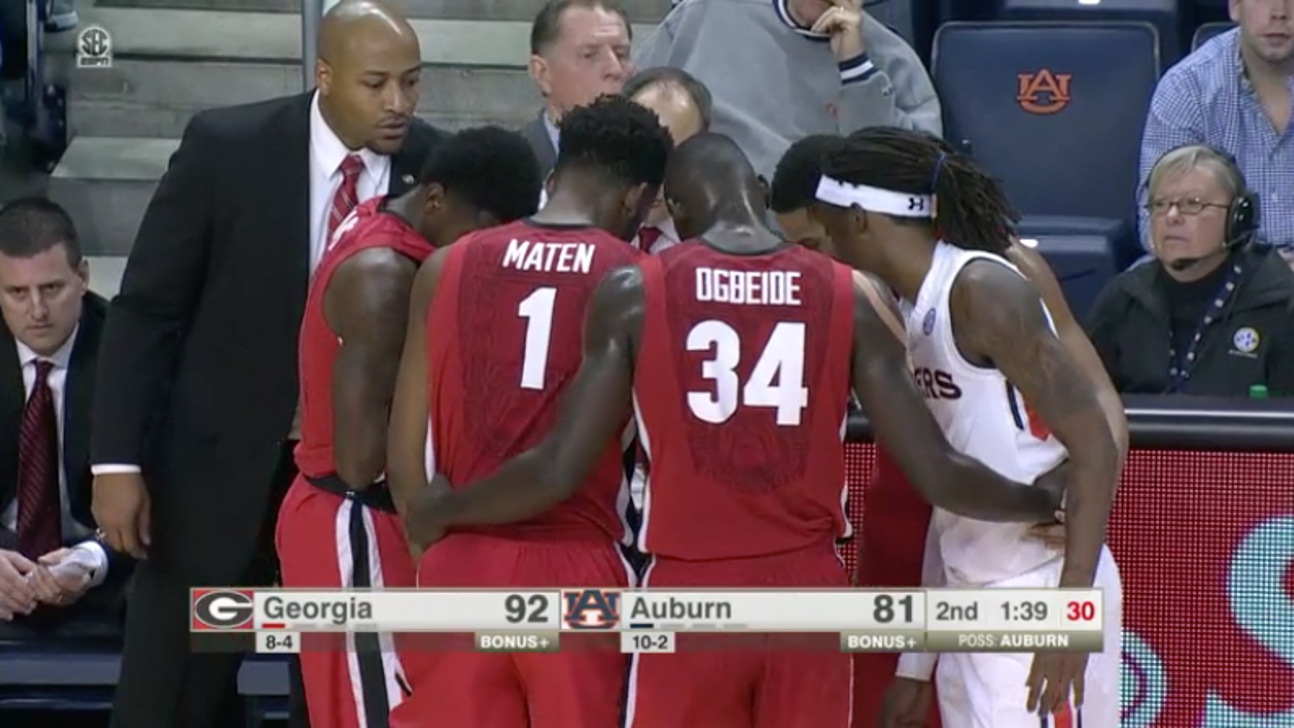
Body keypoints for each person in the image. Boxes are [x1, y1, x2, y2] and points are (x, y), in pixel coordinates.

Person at [398, 132, 1070, 728]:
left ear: (679, 213)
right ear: (757, 190)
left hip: (692, 591)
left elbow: (559, 467)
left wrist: (447, 506)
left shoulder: (638, 289)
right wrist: (1040, 500)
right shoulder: (846, 293)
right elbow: (937, 471)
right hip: (808, 590)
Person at [87, 1, 444, 725]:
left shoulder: (437, 167)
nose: (398, 103)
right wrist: (114, 463)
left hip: (359, 484)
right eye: (377, 84)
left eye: (411, 82)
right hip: (213, 470)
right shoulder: (228, 146)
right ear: (325, 75)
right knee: (176, 693)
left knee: (336, 694)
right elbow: (148, 309)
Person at [770, 131, 1130, 725]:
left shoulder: (981, 289)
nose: (822, 250)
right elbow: (949, 496)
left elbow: (1095, 440)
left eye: (827, 232)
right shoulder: (915, 305)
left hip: (1036, 587)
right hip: (971, 588)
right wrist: (919, 662)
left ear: (859, 220)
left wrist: (1070, 614)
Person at [385, 94, 670, 728]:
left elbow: (405, 450)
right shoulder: (642, 281)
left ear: (554, 174)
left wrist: (431, 541)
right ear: (637, 199)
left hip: (457, 558)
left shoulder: (444, 265)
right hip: (579, 564)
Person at [276, 126, 543, 728]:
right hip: (356, 521)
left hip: (373, 518)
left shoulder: (385, 218)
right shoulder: (385, 278)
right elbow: (361, 460)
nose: (486, 253)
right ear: (435, 200)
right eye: (481, 233)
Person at [0, 197, 131, 640]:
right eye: (17, 293)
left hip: (103, 563)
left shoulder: (127, 354)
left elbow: (168, 493)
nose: (36, 311)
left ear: (83, 277)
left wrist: (92, 560)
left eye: (51, 289)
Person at [631, 0, 940, 179]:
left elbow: (912, 179)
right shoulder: (708, 13)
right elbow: (627, 112)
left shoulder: (890, 60)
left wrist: (855, 68)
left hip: (818, 246)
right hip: (690, 229)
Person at [1090, 143, 1294, 397]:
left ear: (1237, 218)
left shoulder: (1282, 303)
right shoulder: (1124, 300)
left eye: (1192, 203)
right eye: (1160, 204)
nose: (1172, 216)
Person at [1138, 2, 1294, 256]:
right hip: (1217, 275)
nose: (1279, 12)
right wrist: (1261, 277)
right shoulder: (1186, 88)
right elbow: (1156, 223)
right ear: (1235, 6)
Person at [522, 0, 633, 176]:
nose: (615, 69)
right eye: (590, 56)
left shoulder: (652, 169)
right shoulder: (502, 171)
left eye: (621, 55)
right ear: (542, 73)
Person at [624, 66, 713, 254]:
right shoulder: (582, 233)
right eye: (641, 149)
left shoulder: (720, 247)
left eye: (674, 156)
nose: (654, 173)